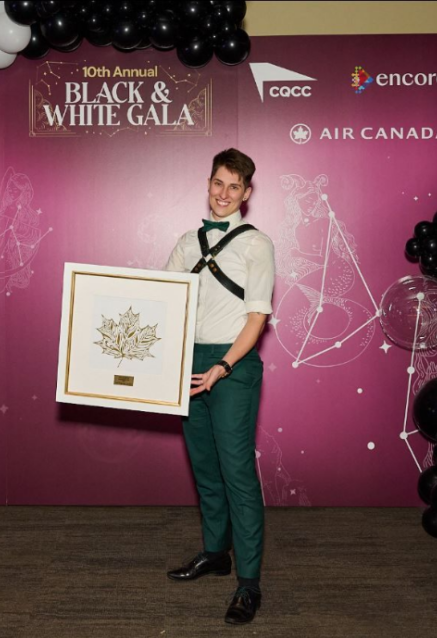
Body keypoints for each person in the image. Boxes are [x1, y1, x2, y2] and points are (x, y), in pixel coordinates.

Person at [164, 148, 274, 625]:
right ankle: (215, 553)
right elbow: (162, 304)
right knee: (205, 468)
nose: (224, 194)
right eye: (218, 184)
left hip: (233, 364)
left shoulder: (258, 245)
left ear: (246, 194)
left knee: (237, 475)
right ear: (207, 184)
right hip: (188, 361)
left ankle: (248, 584)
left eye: (234, 187)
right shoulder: (186, 242)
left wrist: (224, 367)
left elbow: (256, 319)